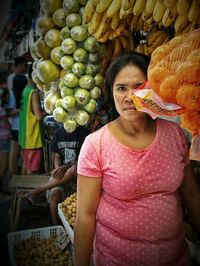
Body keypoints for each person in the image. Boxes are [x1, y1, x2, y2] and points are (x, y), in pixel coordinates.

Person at [74, 52, 200, 266]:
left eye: (139, 87)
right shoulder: (96, 144)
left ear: (152, 89)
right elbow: (85, 216)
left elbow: (191, 194)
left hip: (176, 258)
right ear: (111, 91)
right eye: (121, 88)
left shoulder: (175, 134)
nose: (130, 96)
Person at [26, 124, 89, 225]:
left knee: (73, 169)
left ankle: (40, 189)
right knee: (55, 194)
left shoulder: (83, 133)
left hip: (79, 175)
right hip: (63, 175)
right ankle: (57, 228)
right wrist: (57, 169)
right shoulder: (58, 133)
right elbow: (57, 157)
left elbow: (83, 160)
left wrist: (64, 168)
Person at [19, 63, 46, 175]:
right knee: (32, 170)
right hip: (33, 138)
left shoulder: (26, 90)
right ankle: (28, 192)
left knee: (26, 166)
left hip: (25, 137)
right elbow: (38, 116)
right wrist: (49, 111)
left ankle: (22, 191)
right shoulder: (33, 93)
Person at [7, 56, 28, 175]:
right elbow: (8, 111)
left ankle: (15, 177)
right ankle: (14, 177)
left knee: (18, 153)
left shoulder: (20, 94)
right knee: (14, 153)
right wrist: (21, 110)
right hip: (16, 126)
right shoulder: (11, 95)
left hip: (19, 125)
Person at [0, 71, 11, 199]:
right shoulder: (1, 110)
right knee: (4, 166)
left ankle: (2, 188)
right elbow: (6, 125)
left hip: (2, 139)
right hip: (3, 140)